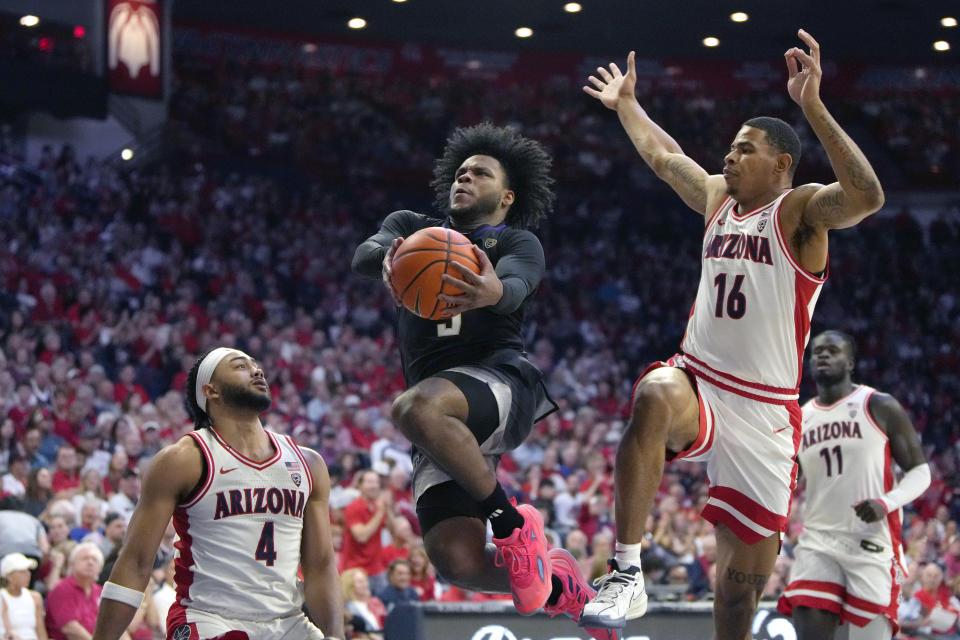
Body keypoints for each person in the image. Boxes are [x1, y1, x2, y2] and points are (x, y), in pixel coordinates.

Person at [580, 29, 886, 638]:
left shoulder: (799, 212)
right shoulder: (718, 198)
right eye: (729, 147)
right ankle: (627, 572)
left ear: (781, 164)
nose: (728, 156)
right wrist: (629, 106)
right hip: (700, 381)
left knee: (735, 597)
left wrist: (814, 107)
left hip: (767, 413)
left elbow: (867, 197)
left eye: (744, 149)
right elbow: (666, 159)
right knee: (653, 395)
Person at [352, 123, 611, 636]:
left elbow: (517, 284)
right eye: (461, 171)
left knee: (411, 408)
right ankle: (565, 588)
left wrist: (493, 291)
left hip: (499, 383)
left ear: (507, 195)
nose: (464, 177)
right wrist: (389, 255)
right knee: (457, 562)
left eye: (481, 173)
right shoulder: (411, 226)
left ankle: (514, 527)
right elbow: (363, 254)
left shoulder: (517, 239)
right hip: (440, 407)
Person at [92, 347, 343, 640]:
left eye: (256, 365)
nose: (257, 371)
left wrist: (336, 636)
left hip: (288, 622)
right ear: (210, 390)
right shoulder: (184, 459)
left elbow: (320, 565)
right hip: (210, 618)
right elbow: (135, 562)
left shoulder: (308, 463)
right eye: (240, 366)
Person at [776, 331, 930, 639]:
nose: (822, 355)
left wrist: (885, 503)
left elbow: (921, 472)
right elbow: (787, 482)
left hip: (870, 543)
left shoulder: (879, 405)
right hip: (818, 543)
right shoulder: (801, 418)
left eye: (832, 350)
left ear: (850, 362)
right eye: (817, 351)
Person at [340, 470, 395, 590]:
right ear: (360, 486)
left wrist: (388, 508)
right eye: (370, 482)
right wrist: (380, 512)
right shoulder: (353, 507)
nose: (375, 485)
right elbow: (361, 537)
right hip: (355, 571)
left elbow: (394, 531)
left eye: (376, 482)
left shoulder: (378, 506)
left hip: (377, 569)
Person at [46, 543, 105, 640]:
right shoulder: (62, 589)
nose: (90, 562)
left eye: (95, 560)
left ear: (100, 568)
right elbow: (70, 628)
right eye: (85, 558)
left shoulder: (100, 591)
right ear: (72, 564)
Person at [0, 553, 47, 640]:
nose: (28, 574)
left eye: (28, 571)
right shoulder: (2, 598)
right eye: (22, 571)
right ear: (9, 576)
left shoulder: (35, 597)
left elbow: (41, 631)